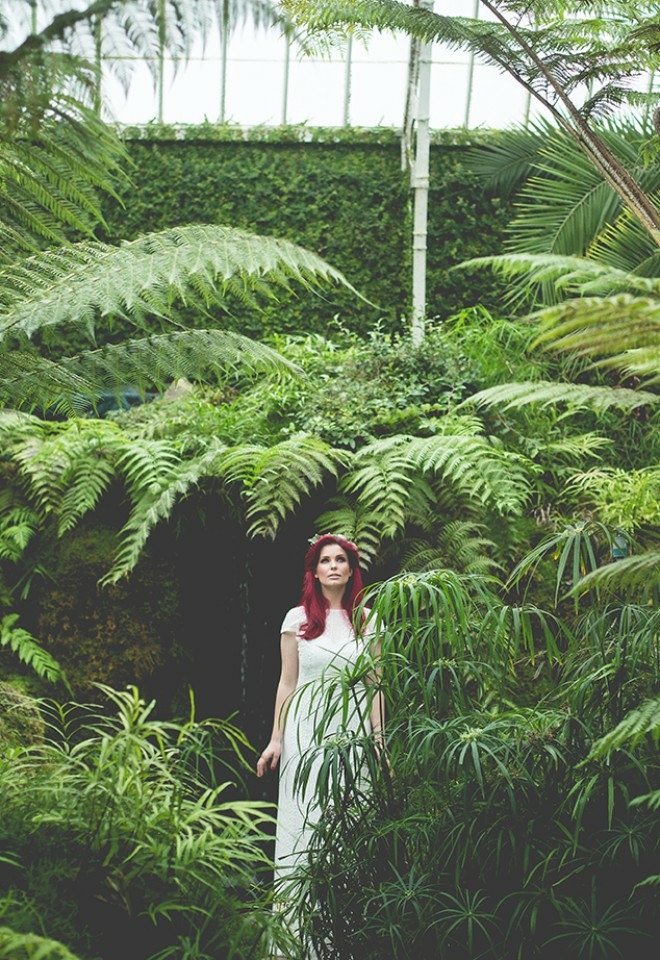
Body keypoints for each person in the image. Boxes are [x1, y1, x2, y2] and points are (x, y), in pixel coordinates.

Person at [256, 534, 384, 923]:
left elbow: (376, 684)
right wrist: (275, 739)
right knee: (304, 822)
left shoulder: (368, 620)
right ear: (313, 571)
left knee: (352, 819)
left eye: (340, 560)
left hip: (353, 734)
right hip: (305, 733)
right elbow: (287, 683)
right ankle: (298, 933)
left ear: (351, 569)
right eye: (325, 560)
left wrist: (379, 743)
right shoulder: (297, 620)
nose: (333, 566)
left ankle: (350, 933)